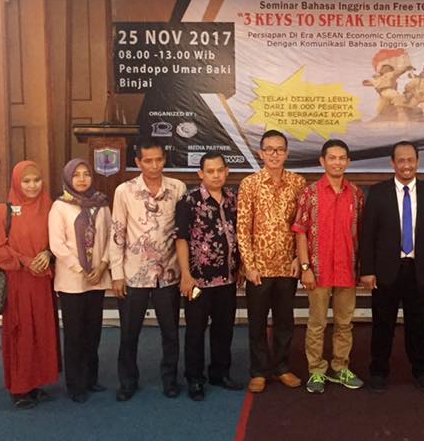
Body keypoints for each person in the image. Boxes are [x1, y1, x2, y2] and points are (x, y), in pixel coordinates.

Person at [360, 141, 424, 393]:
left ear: (417, 162)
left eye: (410, 160)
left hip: (420, 270)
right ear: (393, 163)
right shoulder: (378, 193)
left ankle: (421, 370)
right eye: (401, 160)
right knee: (382, 324)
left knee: (418, 324)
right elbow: (368, 235)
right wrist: (367, 270)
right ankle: (378, 371)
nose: (406, 165)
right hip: (386, 270)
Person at [108, 140, 187, 401]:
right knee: (129, 333)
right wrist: (117, 274)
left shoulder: (177, 188)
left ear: (165, 159)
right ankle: (127, 381)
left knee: (170, 332)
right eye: (148, 161)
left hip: (169, 273)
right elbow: (117, 233)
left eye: (159, 160)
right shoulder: (124, 191)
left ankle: (170, 380)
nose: (154, 166)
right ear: (138, 162)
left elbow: (182, 232)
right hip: (134, 274)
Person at [0, 161, 60, 408]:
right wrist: (26, 261)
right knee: (21, 333)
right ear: (17, 182)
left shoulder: (49, 207)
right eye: (26, 181)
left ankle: (36, 382)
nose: (32, 185)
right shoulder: (4, 211)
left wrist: (48, 254)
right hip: (18, 281)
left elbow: (58, 239)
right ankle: (19, 388)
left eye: (37, 180)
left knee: (41, 332)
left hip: (42, 282)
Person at [293, 139, 366, 394]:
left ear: (348, 162)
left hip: (347, 269)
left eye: (342, 158)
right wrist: (305, 267)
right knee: (317, 323)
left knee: (345, 323)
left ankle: (340, 366)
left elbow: (363, 233)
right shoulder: (310, 194)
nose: (337, 162)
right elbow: (300, 232)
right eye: (332, 158)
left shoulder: (356, 194)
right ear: (322, 161)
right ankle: (316, 370)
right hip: (318, 270)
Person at [237, 130, 307, 394]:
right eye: (269, 149)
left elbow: (302, 225)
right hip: (259, 268)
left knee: (285, 321)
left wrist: (298, 258)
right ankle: (258, 371)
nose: (274, 154)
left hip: (287, 266)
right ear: (261, 153)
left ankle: (282, 367)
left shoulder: (298, 183)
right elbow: (243, 228)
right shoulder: (250, 184)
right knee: (256, 321)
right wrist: (249, 265)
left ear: (286, 153)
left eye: (280, 150)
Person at [175, 151, 243, 401]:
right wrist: (185, 274)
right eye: (210, 171)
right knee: (195, 330)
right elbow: (181, 238)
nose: (216, 176)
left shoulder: (233, 198)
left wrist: (241, 266)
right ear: (200, 174)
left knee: (224, 328)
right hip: (198, 280)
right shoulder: (189, 201)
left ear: (227, 171)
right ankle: (194, 378)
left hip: (227, 278)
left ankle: (220, 373)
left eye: (220, 170)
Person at [49, 158, 112, 403]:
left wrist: (103, 264)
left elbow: (111, 237)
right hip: (72, 280)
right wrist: (81, 268)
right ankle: (75, 384)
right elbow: (57, 244)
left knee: (93, 331)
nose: (82, 179)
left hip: (98, 277)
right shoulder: (60, 207)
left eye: (86, 174)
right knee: (74, 334)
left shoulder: (101, 204)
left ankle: (91, 378)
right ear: (68, 178)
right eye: (76, 175)